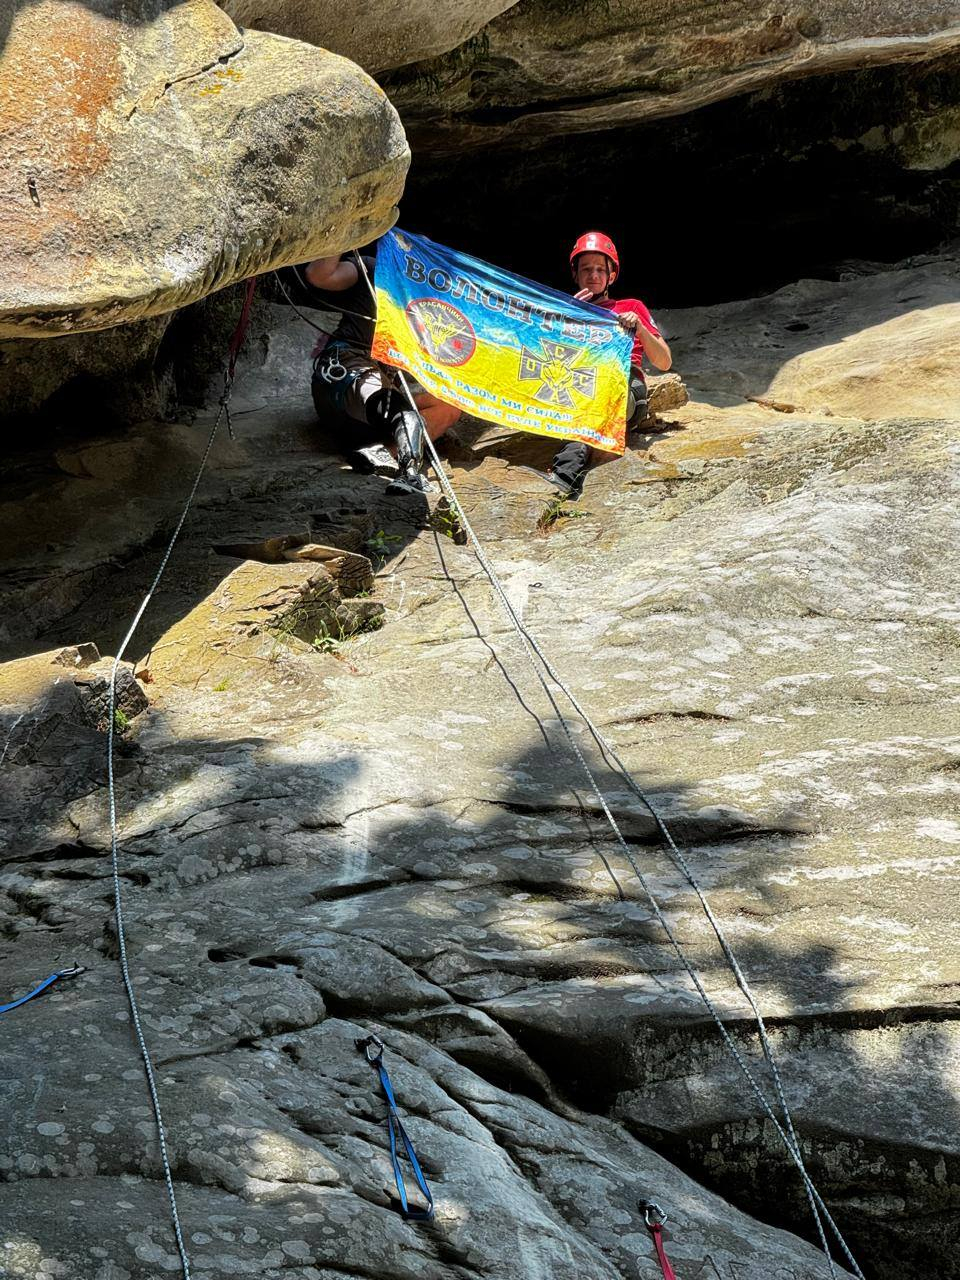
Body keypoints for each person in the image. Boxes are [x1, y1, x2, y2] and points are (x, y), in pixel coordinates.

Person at [284, 247, 460, 496]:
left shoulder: (432, 304)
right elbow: (320, 276)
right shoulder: (374, 269)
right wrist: (342, 236)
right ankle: (410, 473)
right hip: (346, 370)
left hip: (376, 400)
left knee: (449, 406)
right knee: (401, 412)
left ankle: (384, 453)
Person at [549, 231, 672, 497]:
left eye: (599, 269)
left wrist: (639, 329)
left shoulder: (631, 307)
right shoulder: (566, 311)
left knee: (595, 388)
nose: (593, 275)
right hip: (578, 385)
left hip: (624, 387)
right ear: (575, 274)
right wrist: (569, 317)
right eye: (586, 269)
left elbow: (664, 361)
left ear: (611, 276)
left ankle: (565, 474)